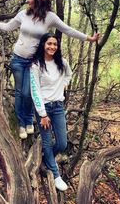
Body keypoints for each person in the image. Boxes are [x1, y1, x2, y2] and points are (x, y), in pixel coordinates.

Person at [0, 0, 99, 140]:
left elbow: (68, 30)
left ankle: (28, 119)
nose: (28, 0)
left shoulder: (50, 17)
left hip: (33, 62)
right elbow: (7, 27)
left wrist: (89, 38)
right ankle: (23, 123)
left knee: (29, 93)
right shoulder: (23, 15)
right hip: (18, 59)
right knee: (21, 92)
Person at [30, 32, 72, 191]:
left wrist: (63, 85)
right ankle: (55, 175)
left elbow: (68, 75)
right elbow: (35, 91)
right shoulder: (36, 65)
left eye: (55, 44)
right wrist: (42, 114)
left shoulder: (62, 62)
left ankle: (47, 159)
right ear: (43, 45)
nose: (52, 47)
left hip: (58, 106)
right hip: (44, 108)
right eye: (49, 43)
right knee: (47, 142)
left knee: (62, 143)